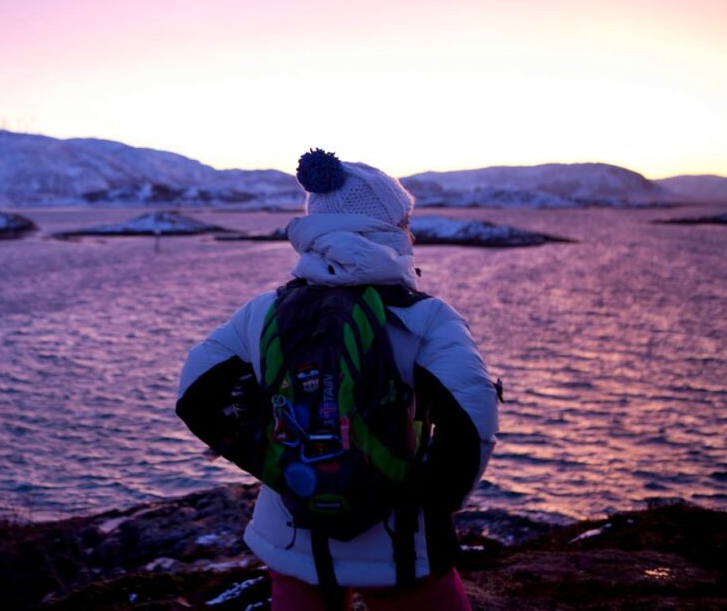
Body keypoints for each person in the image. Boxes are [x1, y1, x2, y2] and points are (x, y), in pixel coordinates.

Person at [177, 148, 499, 610]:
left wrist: (273, 464)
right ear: (389, 229)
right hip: (401, 544)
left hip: (289, 534)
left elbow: (195, 395)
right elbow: (471, 417)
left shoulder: (263, 311)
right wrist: (432, 500)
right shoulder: (427, 317)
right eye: (404, 221)